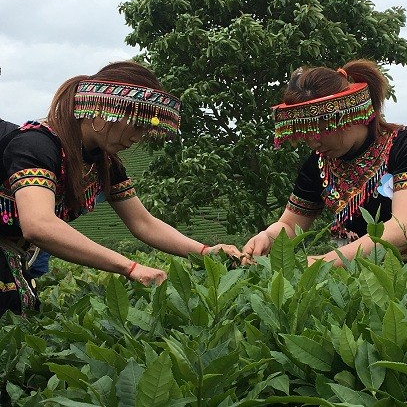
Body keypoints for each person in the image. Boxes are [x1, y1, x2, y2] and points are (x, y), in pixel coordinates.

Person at [0, 61, 240, 316]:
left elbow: (143, 223)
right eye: (137, 124)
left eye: (146, 129)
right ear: (103, 109)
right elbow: (39, 225)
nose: (138, 137)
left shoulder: (104, 163)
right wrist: (129, 267)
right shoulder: (37, 145)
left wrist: (205, 251)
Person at [242, 59, 407, 288]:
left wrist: (327, 261)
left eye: (320, 128)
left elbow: (404, 228)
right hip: (368, 275)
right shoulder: (317, 164)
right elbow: (288, 224)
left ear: (348, 115)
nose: (312, 141)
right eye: (304, 131)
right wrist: (266, 237)